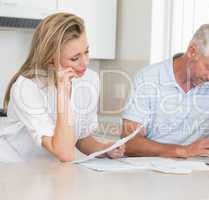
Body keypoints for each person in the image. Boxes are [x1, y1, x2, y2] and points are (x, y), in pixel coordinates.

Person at [0, 12, 124, 163]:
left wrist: (104, 149)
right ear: (51, 60)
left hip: (50, 171)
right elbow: (65, 153)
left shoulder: (89, 79)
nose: (85, 62)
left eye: (86, 51)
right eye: (75, 58)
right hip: (13, 170)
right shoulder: (27, 88)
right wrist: (63, 92)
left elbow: (81, 138)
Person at [122, 24, 209, 158]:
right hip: (148, 171)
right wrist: (184, 151)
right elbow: (130, 143)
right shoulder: (148, 78)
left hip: (194, 172)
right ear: (192, 52)